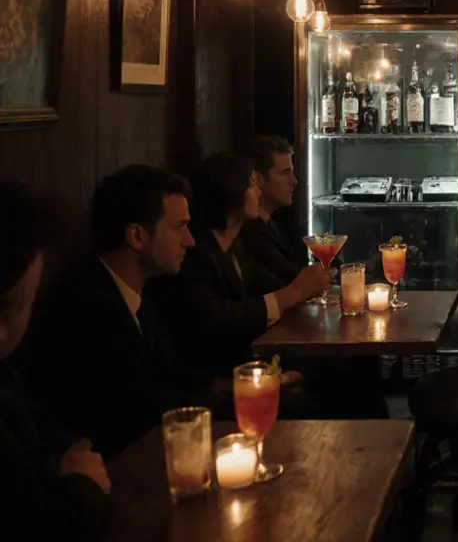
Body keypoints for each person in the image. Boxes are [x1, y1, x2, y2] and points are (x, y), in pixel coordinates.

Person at [18, 165, 216, 459]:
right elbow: (141, 410)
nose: (190, 240)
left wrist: (252, 385)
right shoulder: (87, 306)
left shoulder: (134, 291)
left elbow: (175, 373)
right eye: (178, 227)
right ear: (136, 236)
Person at [0, 179, 110, 540]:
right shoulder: (92, 305)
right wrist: (80, 481)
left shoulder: (8, 375)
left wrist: (65, 455)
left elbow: (41, 430)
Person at [157, 153, 330, 376]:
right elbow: (215, 319)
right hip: (221, 376)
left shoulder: (235, 244)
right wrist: (295, 291)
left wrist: (305, 286)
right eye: (251, 185)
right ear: (231, 195)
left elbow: (271, 285)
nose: (258, 192)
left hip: (251, 364)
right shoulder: (196, 254)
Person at [241, 136, 310, 285]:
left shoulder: (276, 222)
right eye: (285, 173)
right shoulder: (250, 234)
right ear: (257, 179)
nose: (294, 181)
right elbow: (292, 282)